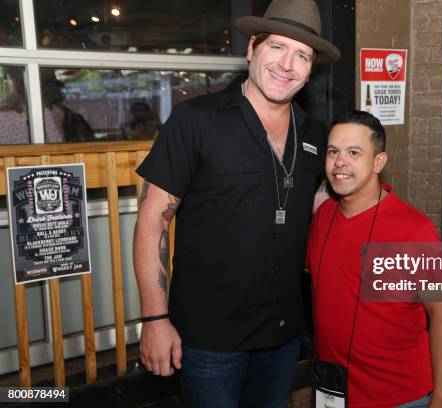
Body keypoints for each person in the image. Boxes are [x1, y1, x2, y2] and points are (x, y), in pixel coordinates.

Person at [133, 0, 340, 406]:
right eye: (277, 47)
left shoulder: (314, 133)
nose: (287, 64)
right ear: (251, 49)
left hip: (282, 335)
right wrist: (155, 320)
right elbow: (152, 221)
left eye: (302, 55)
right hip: (212, 337)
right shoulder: (196, 120)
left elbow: (316, 210)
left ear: (311, 69)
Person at [307, 110, 442, 408]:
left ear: (378, 162)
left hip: (398, 397)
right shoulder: (322, 217)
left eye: (354, 152)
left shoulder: (413, 229)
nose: (340, 162)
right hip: (332, 392)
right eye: (333, 151)